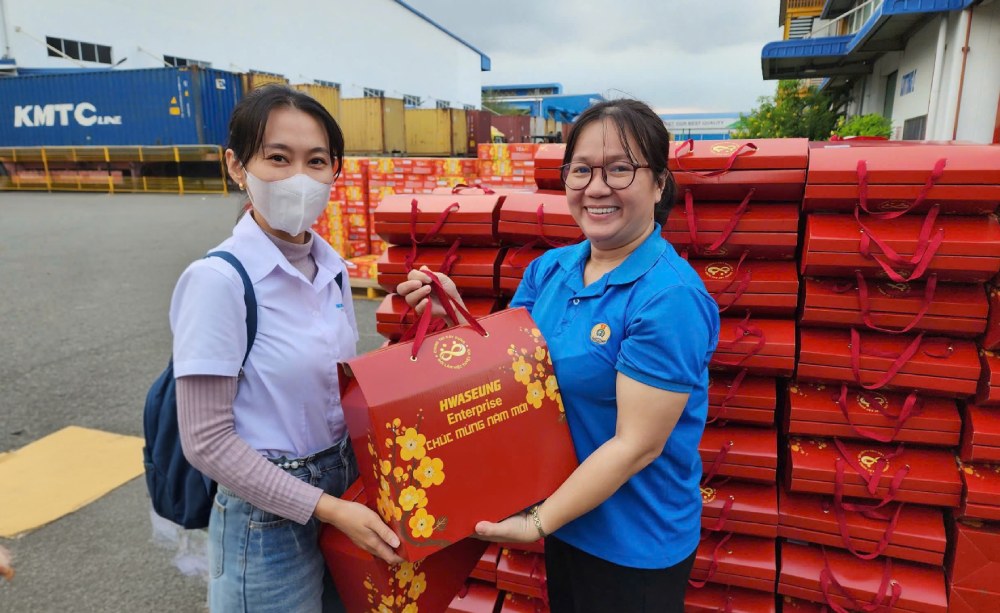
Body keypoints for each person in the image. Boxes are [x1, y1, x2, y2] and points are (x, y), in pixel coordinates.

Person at [398, 99, 720, 613]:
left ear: (659, 183)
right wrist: (451, 310)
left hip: (634, 542)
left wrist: (537, 521)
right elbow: (506, 373)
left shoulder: (668, 298)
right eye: (582, 170)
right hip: (569, 518)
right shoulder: (551, 270)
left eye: (620, 169)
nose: (597, 187)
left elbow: (636, 446)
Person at [170, 84, 402, 613]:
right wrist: (324, 508)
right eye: (278, 158)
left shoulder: (331, 267)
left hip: (344, 488)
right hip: (266, 518)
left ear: (334, 171)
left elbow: (331, 378)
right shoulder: (218, 282)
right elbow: (206, 440)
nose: (299, 177)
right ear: (236, 165)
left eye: (316, 161)